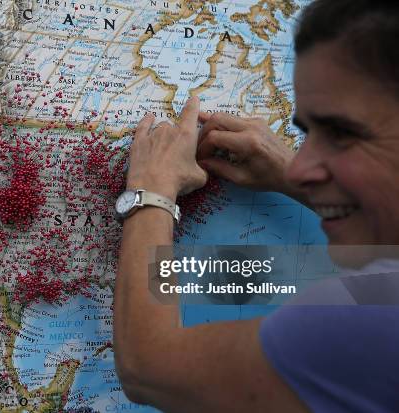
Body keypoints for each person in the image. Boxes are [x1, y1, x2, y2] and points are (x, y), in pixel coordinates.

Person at [113, 1, 399, 412]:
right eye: (309, 133)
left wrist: (151, 191)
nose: (301, 168)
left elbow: (149, 366)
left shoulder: (373, 322)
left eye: (342, 133)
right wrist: (289, 174)